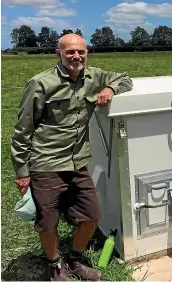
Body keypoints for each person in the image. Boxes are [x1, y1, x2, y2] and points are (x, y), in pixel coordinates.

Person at [10, 33, 133, 281]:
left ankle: (75, 259)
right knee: (48, 222)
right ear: (59, 54)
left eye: (81, 52)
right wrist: (22, 172)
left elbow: (125, 79)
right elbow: (23, 130)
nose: (76, 56)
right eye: (70, 52)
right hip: (46, 162)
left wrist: (109, 87)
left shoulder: (93, 76)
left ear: (86, 53)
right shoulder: (40, 83)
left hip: (78, 162)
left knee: (92, 215)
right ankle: (55, 266)